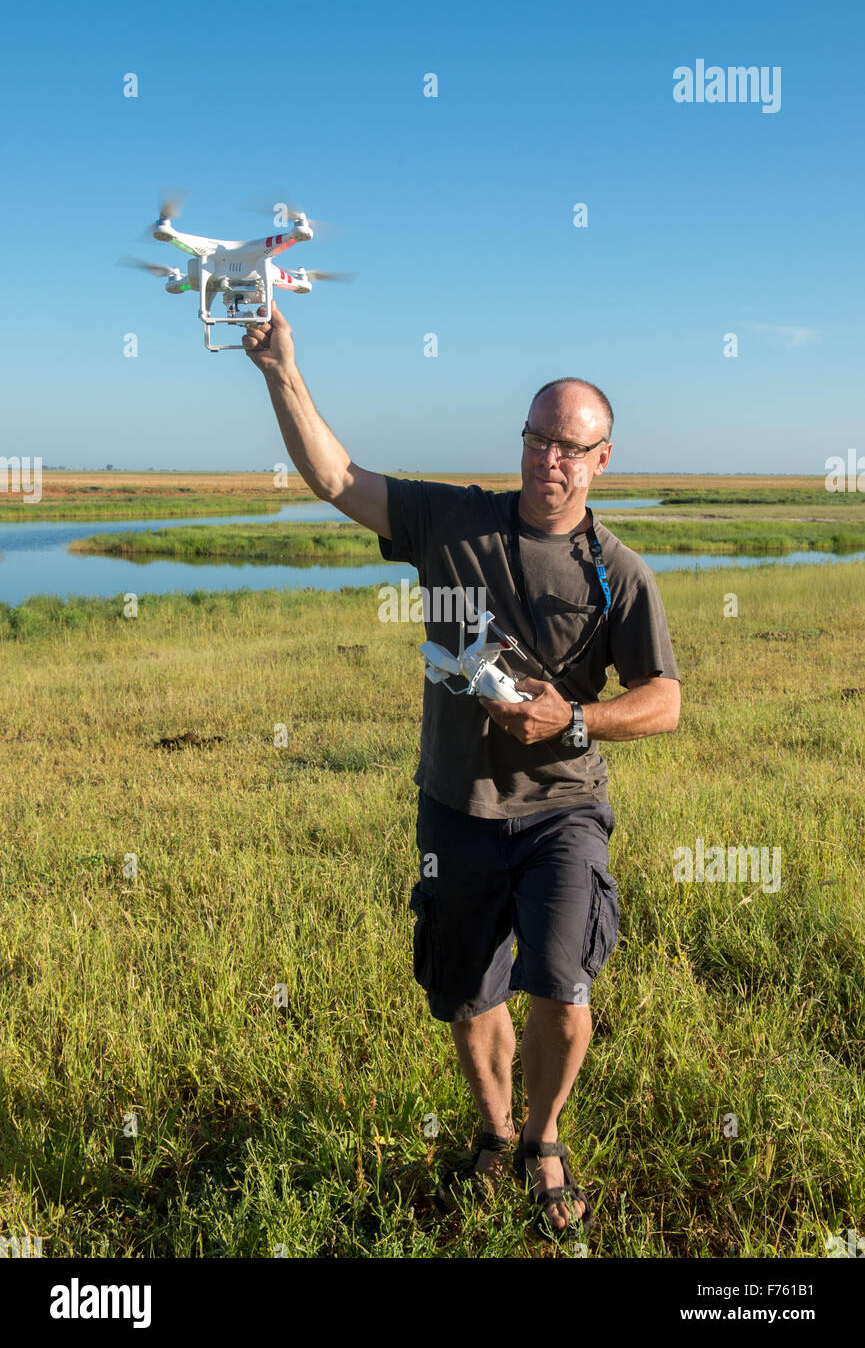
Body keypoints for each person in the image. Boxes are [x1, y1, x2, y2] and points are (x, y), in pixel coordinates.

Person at [243, 303, 681, 1241]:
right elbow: (333, 476)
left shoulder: (618, 572)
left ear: (602, 457)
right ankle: (492, 1135)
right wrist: (280, 368)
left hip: (564, 807)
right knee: (468, 991)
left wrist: (577, 718)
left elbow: (664, 699)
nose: (546, 460)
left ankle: (543, 1136)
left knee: (561, 986)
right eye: (534, 439)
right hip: (456, 807)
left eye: (568, 446)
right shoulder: (449, 520)